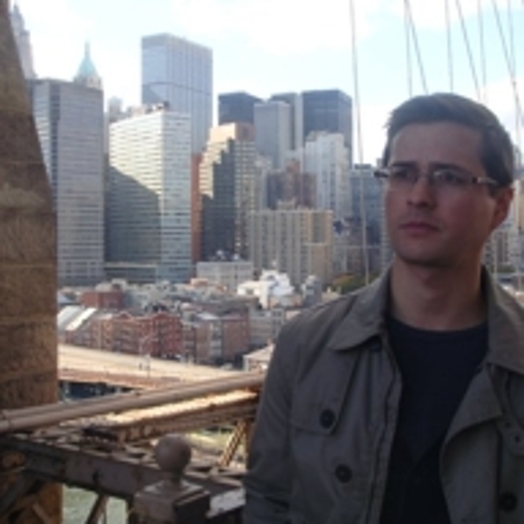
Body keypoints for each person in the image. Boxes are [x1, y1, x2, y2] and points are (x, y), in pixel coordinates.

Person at [243, 92, 524, 524]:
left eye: (448, 177)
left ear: (501, 206)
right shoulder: (305, 347)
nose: (419, 196)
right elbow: (270, 499)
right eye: (403, 174)